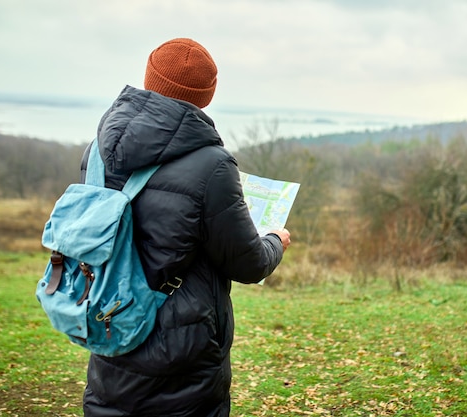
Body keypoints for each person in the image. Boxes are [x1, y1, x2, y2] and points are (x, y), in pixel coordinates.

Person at [81, 38, 291, 417]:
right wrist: (275, 239)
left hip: (108, 319)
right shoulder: (212, 166)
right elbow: (249, 263)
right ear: (206, 96)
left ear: (149, 78)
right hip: (182, 351)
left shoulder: (99, 150)